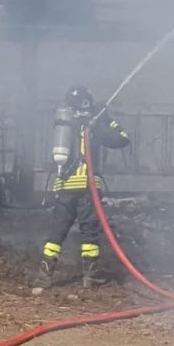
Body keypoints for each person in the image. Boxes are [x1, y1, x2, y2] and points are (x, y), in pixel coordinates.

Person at [34, 85, 130, 289]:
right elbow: (122, 139)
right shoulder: (94, 122)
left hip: (64, 187)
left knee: (56, 232)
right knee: (89, 233)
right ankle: (90, 276)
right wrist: (105, 120)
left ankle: (43, 276)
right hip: (87, 187)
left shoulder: (64, 123)